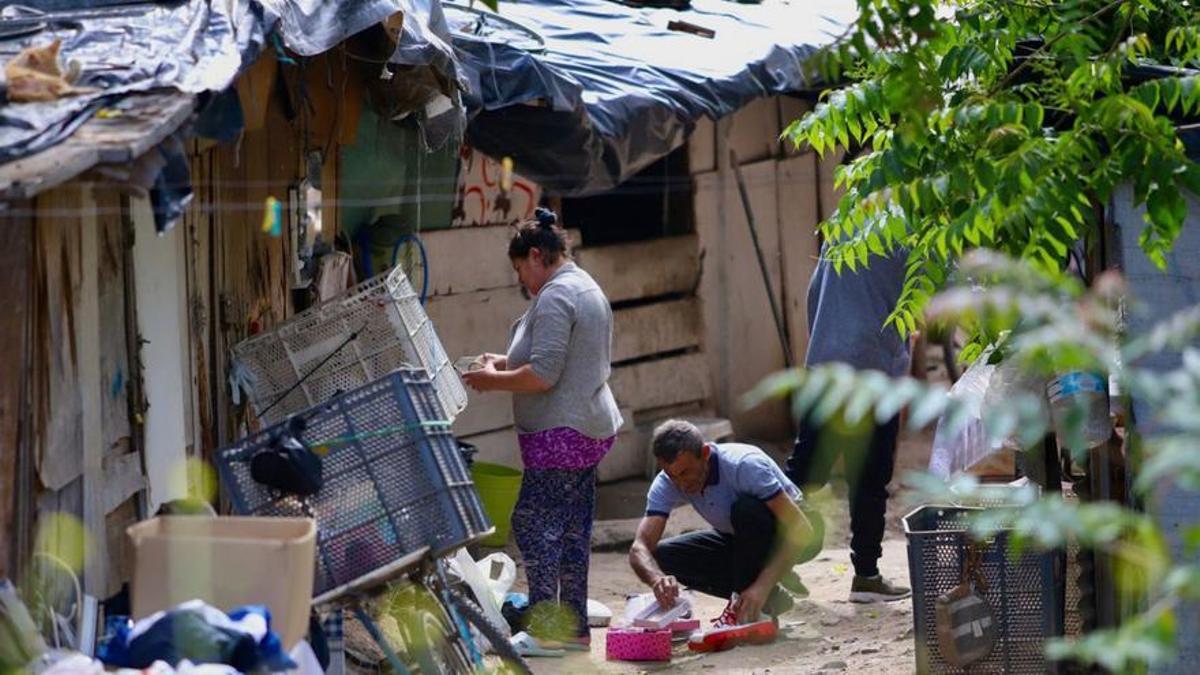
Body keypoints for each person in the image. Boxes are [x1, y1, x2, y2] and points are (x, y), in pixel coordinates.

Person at [462, 207, 623, 647]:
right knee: (572, 529)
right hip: (587, 428)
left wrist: (492, 382)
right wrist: (501, 362)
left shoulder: (555, 296)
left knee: (532, 523)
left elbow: (545, 374)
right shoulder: (582, 285)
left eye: (520, 270)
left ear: (536, 255)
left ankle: (547, 629)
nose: (522, 282)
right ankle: (571, 627)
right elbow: (553, 360)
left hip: (562, 433)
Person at [786, 244, 912, 603]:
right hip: (873, 368)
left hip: (826, 363)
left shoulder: (842, 223)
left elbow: (814, 291)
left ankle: (768, 569)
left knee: (804, 473)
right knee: (869, 478)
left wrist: (825, 341)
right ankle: (866, 576)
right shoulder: (909, 232)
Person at [628, 420, 820, 648]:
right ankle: (770, 600)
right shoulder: (667, 482)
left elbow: (802, 530)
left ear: (705, 454)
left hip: (799, 529)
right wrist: (656, 579)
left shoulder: (744, 466)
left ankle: (747, 609)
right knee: (663, 556)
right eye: (672, 475)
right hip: (741, 537)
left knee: (745, 510)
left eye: (686, 472)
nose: (681, 482)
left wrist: (762, 585)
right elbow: (640, 547)